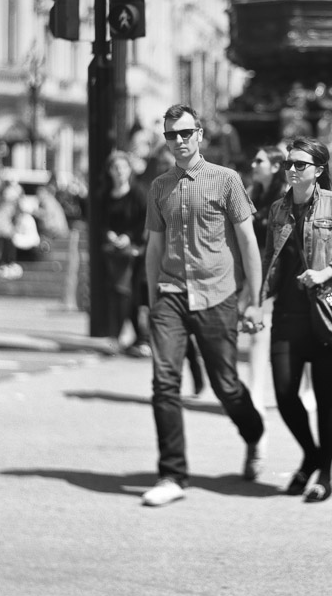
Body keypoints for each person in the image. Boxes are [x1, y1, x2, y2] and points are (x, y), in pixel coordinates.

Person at [141, 104, 265, 508]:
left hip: (217, 294)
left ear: (200, 135)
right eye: (171, 135)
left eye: (185, 133)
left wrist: (254, 301)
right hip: (171, 295)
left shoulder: (226, 180)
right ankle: (172, 474)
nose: (178, 141)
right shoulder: (159, 186)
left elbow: (248, 243)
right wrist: (151, 299)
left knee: (226, 386)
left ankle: (253, 435)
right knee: (164, 383)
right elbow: (154, 247)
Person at [261, 137, 332, 503]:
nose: (292, 169)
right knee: (285, 394)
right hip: (287, 314)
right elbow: (268, 259)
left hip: (326, 312)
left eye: (300, 164)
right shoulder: (277, 209)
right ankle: (311, 454)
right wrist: (253, 302)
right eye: (289, 163)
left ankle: (325, 474)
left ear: (318, 170)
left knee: (324, 397)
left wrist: (326, 273)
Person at [246, 145, 288, 416]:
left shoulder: (284, 195)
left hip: (283, 270)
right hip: (260, 269)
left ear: (275, 166)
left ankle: (305, 390)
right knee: (258, 331)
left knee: (294, 334)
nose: (253, 164)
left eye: (259, 160)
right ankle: (255, 394)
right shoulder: (254, 193)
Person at [103, 150, 151, 357]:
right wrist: (110, 235)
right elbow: (101, 222)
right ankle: (127, 338)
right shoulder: (105, 195)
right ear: (110, 171)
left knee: (131, 295)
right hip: (114, 253)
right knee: (119, 293)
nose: (119, 172)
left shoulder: (139, 193)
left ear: (129, 170)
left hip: (135, 253)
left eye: (123, 167)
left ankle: (138, 338)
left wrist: (129, 237)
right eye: (115, 168)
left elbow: (145, 221)